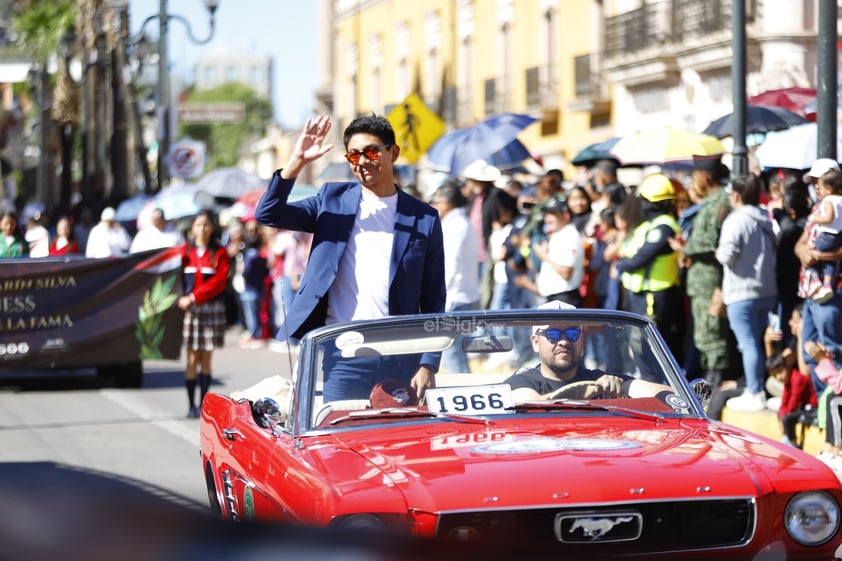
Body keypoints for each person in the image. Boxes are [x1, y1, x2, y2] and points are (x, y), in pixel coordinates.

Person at [254, 114, 445, 401]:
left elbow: (434, 297)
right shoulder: (332, 200)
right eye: (354, 155)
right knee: (338, 439)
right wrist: (298, 161)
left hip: (400, 355)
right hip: (343, 352)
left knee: (395, 443)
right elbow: (268, 212)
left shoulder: (424, 218)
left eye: (371, 152)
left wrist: (428, 363)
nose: (362, 161)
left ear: (393, 153)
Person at [503, 300, 672, 402]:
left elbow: (654, 391)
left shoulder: (601, 381)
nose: (564, 341)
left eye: (572, 333)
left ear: (582, 340)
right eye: (553, 335)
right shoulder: (521, 382)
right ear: (535, 342)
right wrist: (588, 390)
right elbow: (535, 404)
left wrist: (682, 398)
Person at [717, 174, 779, 412]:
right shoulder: (765, 217)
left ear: (736, 195)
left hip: (742, 293)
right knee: (760, 343)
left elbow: (726, 256)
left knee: (748, 344)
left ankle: (754, 391)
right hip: (767, 290)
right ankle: (758, 387)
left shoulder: (736, 220)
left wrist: (717, 252)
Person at [613, 173, 684, 363]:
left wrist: (621, 265)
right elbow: (627, 251)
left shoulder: (663, 228)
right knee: (639, 347)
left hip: (654, 297)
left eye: (644, 200)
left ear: (652, 203)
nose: (641, 205)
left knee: (652, 350)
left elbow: (639, 259)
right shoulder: (648, 226)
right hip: (640, 294)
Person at [680, 155, 735, 389]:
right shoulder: (709, 203)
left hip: (710, 278)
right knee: (701, 332)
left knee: (711, 330)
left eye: (695, 177)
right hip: (699, 279)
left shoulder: (721, 202)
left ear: (705, 177)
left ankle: (715, 374)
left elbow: (713, 240)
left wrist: (686, 247)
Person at [177, 210, 230, 418]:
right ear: (192, 229)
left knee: (206, 357)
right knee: (191, 357)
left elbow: (219, 282)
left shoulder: (219, 253)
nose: (203, 229)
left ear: (212, 228)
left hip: (211, 308)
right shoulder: (184, 252)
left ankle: (203, 405)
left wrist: (193, 297)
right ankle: (191, 405)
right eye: (199, 225)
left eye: (207, 225)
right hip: (190, 311)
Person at [429, 182, 480, 373]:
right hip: (461, 295)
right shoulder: (459, 223)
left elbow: (450, 264)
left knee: (451, 352)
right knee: (457, 351)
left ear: (446, 202)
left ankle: (462, 390)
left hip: (455, 297)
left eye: (436, 201)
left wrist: (439, 295)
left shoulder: (456, 225)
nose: (433, 205)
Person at [530, 196, 585, 307]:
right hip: (555, 299)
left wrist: (544, 256)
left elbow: (566, 272)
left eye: (552, 214)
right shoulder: (559, 234)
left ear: (566, 215)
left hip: (565, 300)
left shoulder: (570, 236)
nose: (547, 219)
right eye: (547, 214)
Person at [804, 169, 842, 303]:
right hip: (837, 236)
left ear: (829, 188)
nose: (816, 187)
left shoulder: (828, 200)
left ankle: (816, 280)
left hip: (827, 236)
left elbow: (828, 217)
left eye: (818, 183)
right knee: (829, 263)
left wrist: (815, 218)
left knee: (813, 254)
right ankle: (826, 285)